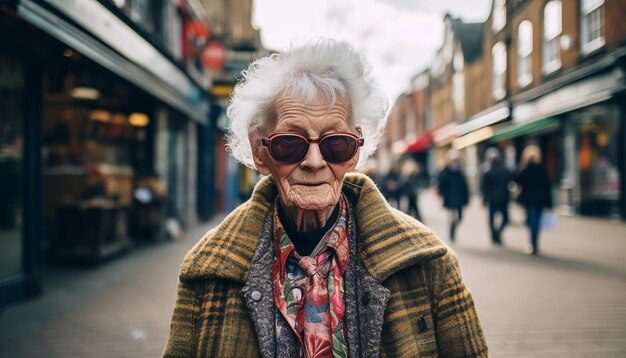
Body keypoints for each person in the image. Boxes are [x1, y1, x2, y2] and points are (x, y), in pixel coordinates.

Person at [163, 39, 487, 357]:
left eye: (336, 143)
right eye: (291, 143)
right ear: (261, 152)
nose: (315, 162)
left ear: (356, 151)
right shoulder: (207, 271)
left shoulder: (428, 263)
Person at [514, 145, 552, 255]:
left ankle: (532, 243)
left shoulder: (525, 169)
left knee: (532, 221)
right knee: (536, 221)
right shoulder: (542, 169)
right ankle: (534, 243)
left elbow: (517, 181)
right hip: (539, 200)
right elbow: (547, 187)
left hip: (529, 200)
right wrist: (549, 203)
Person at [481, 148, 513, 245]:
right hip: (503, 198)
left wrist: (485, 198)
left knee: (492, 219)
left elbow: (484, 187)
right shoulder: (505, 170)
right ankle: (497, 234)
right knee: (505, 219)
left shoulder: (488, 171)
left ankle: (495, 235)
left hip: (493, 199)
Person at [437, 151, 469, 243]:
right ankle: (451, 233)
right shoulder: (445, 172)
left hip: (459, 198)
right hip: (450, 198)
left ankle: (453, 229)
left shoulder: (460, 172)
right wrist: (444, 196)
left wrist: (466, 199)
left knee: (460, 217)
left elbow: (465, 187)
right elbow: (442, 186)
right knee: (451, 216)